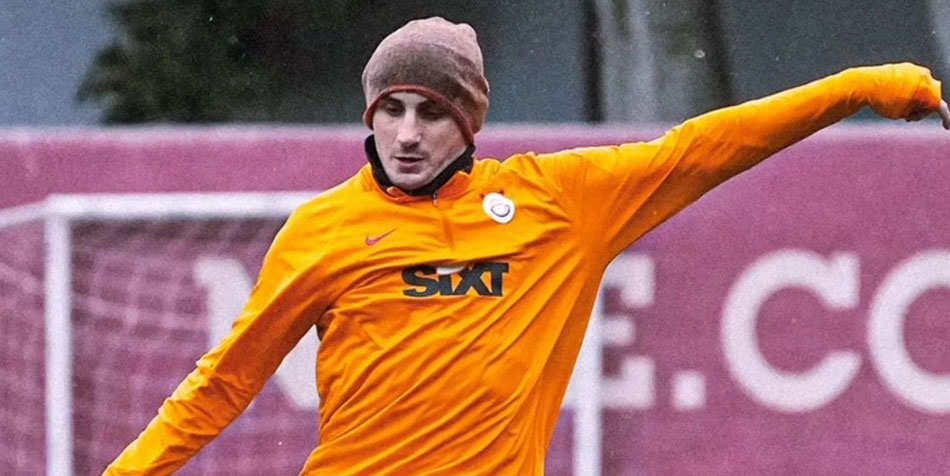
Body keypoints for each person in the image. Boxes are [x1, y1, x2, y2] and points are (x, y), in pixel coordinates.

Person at [104, 16, 950, 476]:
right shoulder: (321, 229)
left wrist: (859, 88)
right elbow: (225, 381)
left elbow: (703, 148)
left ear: (469, 124)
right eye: (391, 109)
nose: (407, 133)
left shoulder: (556, 203)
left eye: (431, 112)